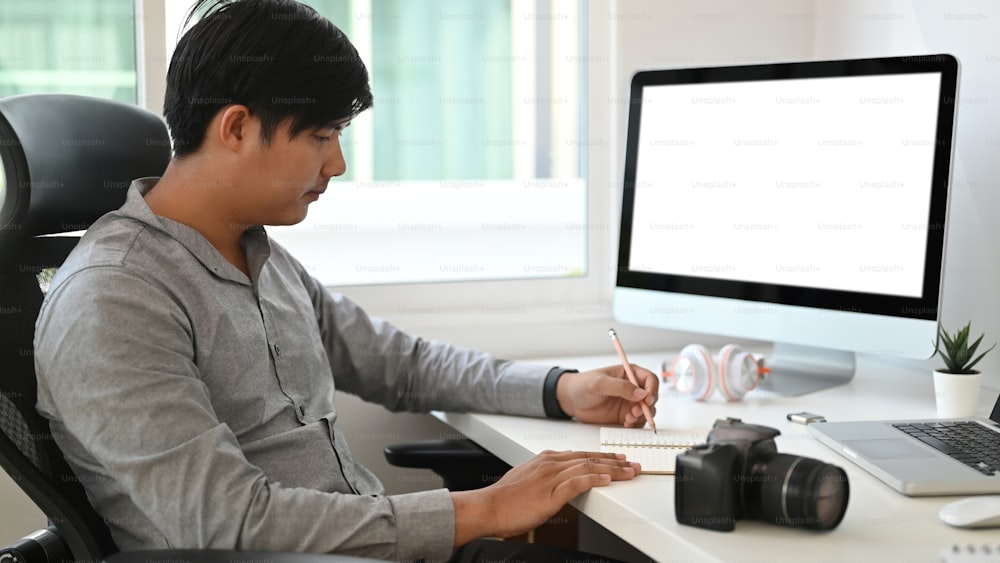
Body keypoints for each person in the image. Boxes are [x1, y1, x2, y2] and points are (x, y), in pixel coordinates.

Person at [33, 0, 660, 561]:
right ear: (236, 128)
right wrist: (485, 509)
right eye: (321, 136)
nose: (337, 163)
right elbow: (229, 524)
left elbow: (403, 365)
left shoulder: (261, 257)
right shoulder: (113, 296)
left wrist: (562, 389)